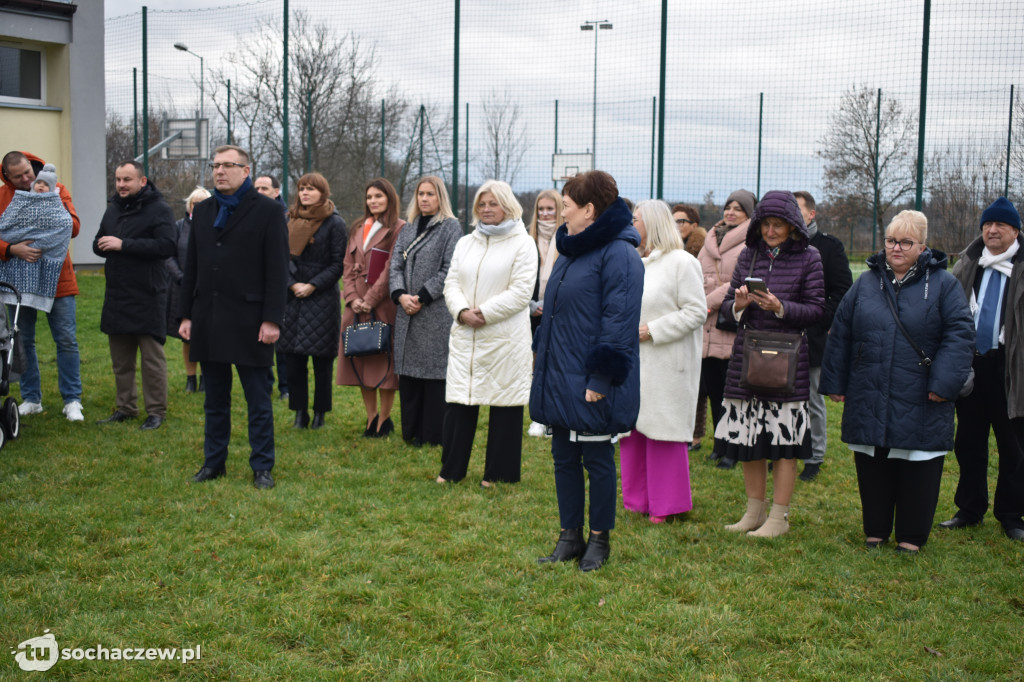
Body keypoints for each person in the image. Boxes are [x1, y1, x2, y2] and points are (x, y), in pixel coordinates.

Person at [820, 210, 974, 553]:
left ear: (922, 246)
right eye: (891, 241)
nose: (897, 248)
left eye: (906, 242)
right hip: (869, 388)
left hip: (921, 392)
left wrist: (944, 384)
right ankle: (875, 530)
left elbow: (960, 336)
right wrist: (836, 381)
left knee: (917, 463)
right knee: (872, 462)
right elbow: (842, 331)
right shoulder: (866, 283)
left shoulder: (944, 286)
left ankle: (911, 535)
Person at [531, 170, 644, 572]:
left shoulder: (620, 254)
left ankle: (600, 540)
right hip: (560, 373)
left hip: (592, 379)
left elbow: (619, 322)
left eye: (567, 206)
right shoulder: (571, 249)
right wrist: (539, 351)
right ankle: (569, 537)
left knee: (596, 460)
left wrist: (601, 378)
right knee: (563, 457)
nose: (562, 213)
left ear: (590, 210)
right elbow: (555, 312)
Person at [716, 190, 825, 538]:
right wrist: (740, 304)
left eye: (778, 225)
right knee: (748, 440)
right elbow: (726, 308)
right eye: (766, 225)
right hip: (747, 360)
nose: (771, 231)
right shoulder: (748, 255)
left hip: (787, 362)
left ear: (793, 225)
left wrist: (781, 307)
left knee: (784, 443)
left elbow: (818, 310)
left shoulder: (810, 257)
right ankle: (753, 511)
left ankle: (778, 517)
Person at [180, 145, 288, 490]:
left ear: (246, 170)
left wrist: (272, 320)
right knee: (215, 399)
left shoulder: (268, 211)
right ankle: (214, 463)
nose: (220, 171)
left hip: (251, 320)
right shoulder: (205, 209)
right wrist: (186, 315)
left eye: (228, 165)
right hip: (209, 318)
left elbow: (276, 269)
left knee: (258, 398)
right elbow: (192, 266)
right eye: (215, 166)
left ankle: (262, 467)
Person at [439, 180, 537, 485]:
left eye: (493, 203)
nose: (486, 209)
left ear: (508, 205)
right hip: (467, 333)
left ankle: (499, 473)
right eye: (482, 204)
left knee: (504, 403)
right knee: (460, 401)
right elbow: (451, 282)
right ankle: (451, 470)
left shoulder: (523, 243)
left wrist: (485, 312)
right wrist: (461, 311)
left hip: (503, 337)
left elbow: (521, 292)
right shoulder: (466, 242)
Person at [938, 197, 1024, 542]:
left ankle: (1011, 515)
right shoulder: (969, 263)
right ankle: (969, 510)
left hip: (1012, 367)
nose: (992, 230)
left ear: (1015, 230)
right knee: (969, 442)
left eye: (1000, 225)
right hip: (972, 365)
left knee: (1013, 446)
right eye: (987, 225)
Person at [619, 200, 706, 522]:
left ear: (653, 223)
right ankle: (638, 500)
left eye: (636, 219)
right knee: (636, 429)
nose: (632, 224)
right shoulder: (639, 262)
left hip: (668, 363)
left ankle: (667, 504)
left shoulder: (682, 262)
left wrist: (653, 330)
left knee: (663, 433)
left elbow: (697, 311)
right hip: (637, 363)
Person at [92, 160, 177, 430]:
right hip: (117, 295)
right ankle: (126, 407)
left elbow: (166, 246)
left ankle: (156, 412)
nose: (121, 185)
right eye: (118, 180)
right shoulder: (113, 209)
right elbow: (99, 242)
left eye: (127, 180)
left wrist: (123, 244)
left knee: (152, 361)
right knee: (121, 361)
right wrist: (103, 245)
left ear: (142, 181)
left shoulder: (159, 209)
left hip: (148, 294)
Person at [0, 151, 83, 421]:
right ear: (7, 178)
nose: (26, 178)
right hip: (18, 281)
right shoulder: (3, 196)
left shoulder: (56, 188)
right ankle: (32, 398)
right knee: (22, 340)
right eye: (18, 176)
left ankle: (72, 400)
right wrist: (12, 248)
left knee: (66, 340)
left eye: (28, 172)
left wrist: (47, 201)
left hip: (58, 278)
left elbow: (72, 227)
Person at [389, 176, 462, 447]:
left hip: (432, 312)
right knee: (408, 375)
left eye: (430, 194)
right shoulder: (407, 228)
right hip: (405, 311)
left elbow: (450, 269)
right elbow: (394, 264)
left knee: (432, 376)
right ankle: (410, 433)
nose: (424, 199)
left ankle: (431, 435)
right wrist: (400, 295)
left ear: (440, 197)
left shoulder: (451, 228)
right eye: (421, 194)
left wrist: (420, 297)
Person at [277, 172, 346, 430]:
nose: (305, 193)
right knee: (293, 361)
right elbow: (280, 258)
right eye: (302, 188)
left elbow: (338, 263)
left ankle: (319, 413)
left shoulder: (335, 223)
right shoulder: (288, 219)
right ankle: (299, 412)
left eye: (311, 189)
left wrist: (313, 285)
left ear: (323, 192)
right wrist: (292, 284)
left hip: (321, 298)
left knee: (321, 363)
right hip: (291, 295)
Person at [793, 191, 852, 481]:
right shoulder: (778, 247)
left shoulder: (829, 247)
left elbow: (842, 290)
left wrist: (819, 318)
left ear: (811, 214)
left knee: (812, 399)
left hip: (813, 338)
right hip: (781, 338)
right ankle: (785, 449)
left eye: (798, 208)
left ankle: (814, 456)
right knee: (783, 396)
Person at [338, 177, 402, 437]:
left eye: (378, 196)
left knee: (383, 362)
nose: (373, 201)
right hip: (356, 305)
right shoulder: (357, 228)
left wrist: (371, 299)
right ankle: (370, 418)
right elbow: (347, 266)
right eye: (369, 197)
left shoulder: (398, 228)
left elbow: (391, 270)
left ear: (389, 198)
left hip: (383, 304)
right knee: (361, 359)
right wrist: (353, 298)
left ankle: (384, 419)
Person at [698, 190, 756, 468]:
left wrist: (705, 302)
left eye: (738, 208)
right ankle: (719, 444)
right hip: (706, 326)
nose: (730, 212)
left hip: (729, 321)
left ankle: (734, 447)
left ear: (748, 213)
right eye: (728, 206)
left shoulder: (750, 243)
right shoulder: (710, 239)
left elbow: (737, 280)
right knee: (713, 388)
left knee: (733, 392)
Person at [166, 186, 211, 394]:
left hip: (208, 290)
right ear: (189, 205)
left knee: (206, 335)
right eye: (195, 203)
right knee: (188, 337)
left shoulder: (216, 227)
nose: (198, 207)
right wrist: (181, 278)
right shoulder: (178, 226)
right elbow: (168, 255)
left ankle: (205, 378)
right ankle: (190, 378)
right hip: (182, 289)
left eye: (203, 203)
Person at [526, 189, 563, 438]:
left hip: (558, 311)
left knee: (555, 363)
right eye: (541, 209)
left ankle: (554, 415)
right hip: (530, 311)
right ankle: (537, 416)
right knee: (534, 363)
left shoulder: (567, 237)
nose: (545, 214)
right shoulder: (527, 239)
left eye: (551, 209)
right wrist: (530, 303)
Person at [254, 173, 289, 401]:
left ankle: (285, 387)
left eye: (264, 189)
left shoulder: (286, 219)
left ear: (276, 192)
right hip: (256, 289)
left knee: (282, 342)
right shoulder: (247, 216)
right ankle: (265, 382)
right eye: (255, 188)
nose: (259, 193)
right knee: (259, 340)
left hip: (283, 288)